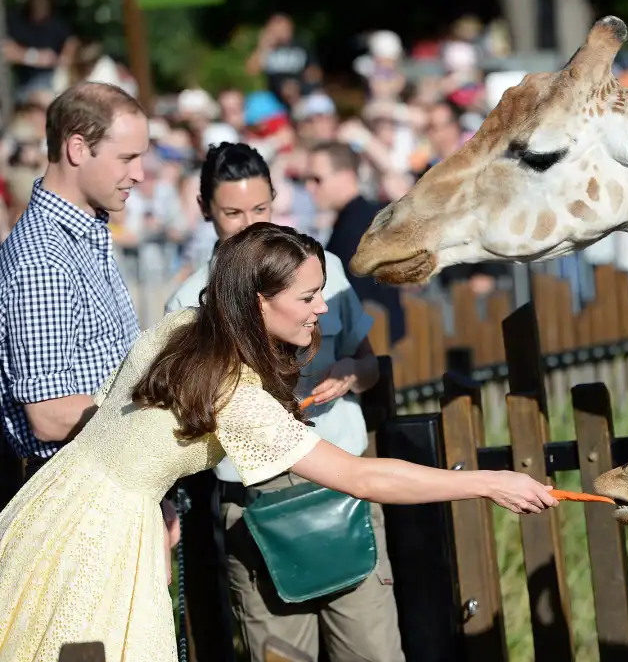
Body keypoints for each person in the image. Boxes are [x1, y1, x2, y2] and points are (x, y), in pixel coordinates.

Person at [0, 221, 558, 661]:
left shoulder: (183, 329)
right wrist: (488, 482)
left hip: (54, 498)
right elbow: (363, 477)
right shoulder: (234, 394)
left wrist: (153, 488)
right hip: (105, 532)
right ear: (259, 302)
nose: (322, 308)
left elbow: (117, 421)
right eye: (309, 296)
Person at [166, 142, 405, 661]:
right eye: (233, 213)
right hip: (258, 498)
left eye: (261, 209)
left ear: (277, 200)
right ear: (205, 208)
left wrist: (349, 373)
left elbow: (370, 365)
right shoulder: (189, 302)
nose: (249, 223)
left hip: (342, 480)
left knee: (373, 652)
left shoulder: (322, 268)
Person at [0, 81, 144, 481]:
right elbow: (50, 412)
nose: (140, 174)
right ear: (77, 148)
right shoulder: (44, 259)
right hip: (73, 484)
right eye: (127, 158)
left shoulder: (82, 234)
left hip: (105, 474)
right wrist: (160, 423)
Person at [307, 141, 406, 344]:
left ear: (346, 176)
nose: (310, 188)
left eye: (317, 179)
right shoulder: (362, 218)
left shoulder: (356, 227)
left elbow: (351, 295)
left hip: (373, 344)